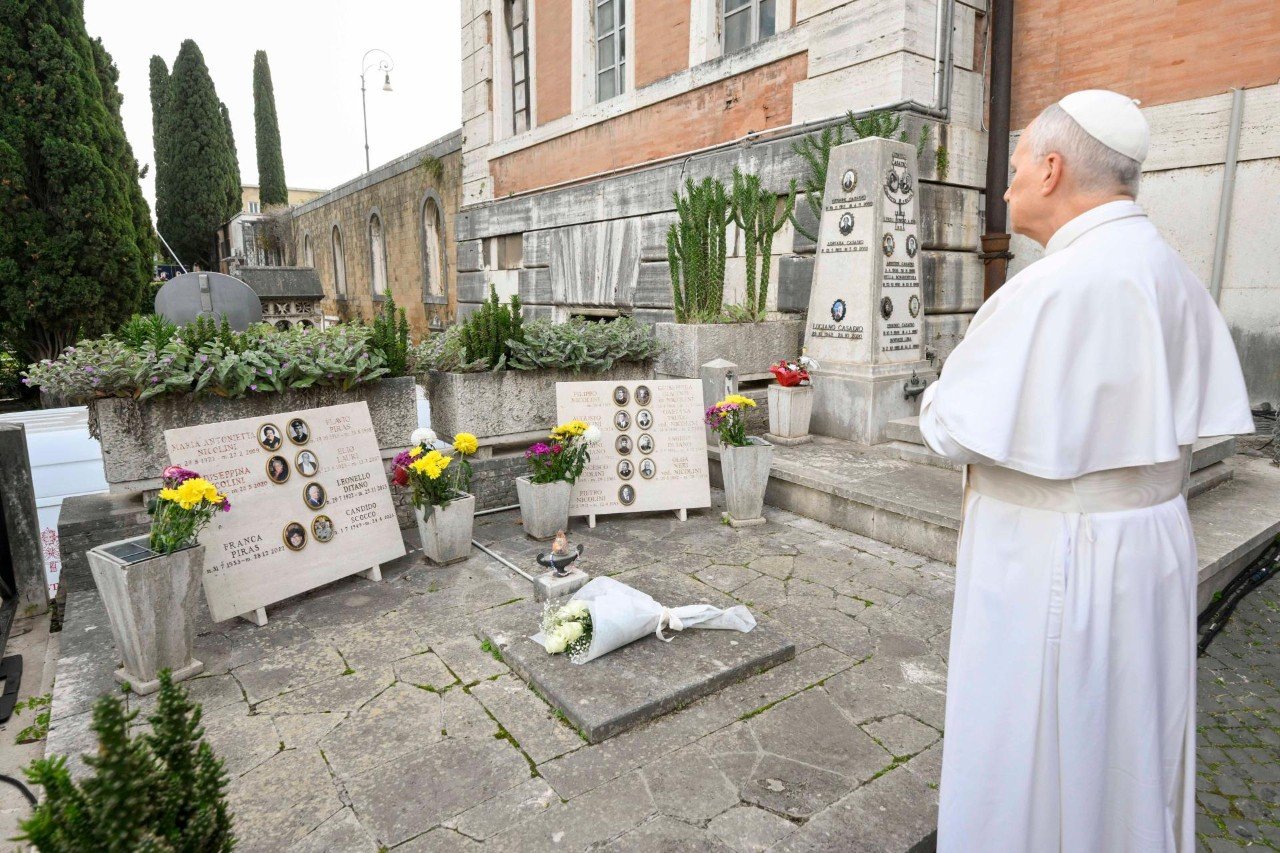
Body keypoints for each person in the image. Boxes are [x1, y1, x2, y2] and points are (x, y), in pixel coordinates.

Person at [920, 90, 1254, 852]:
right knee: (1127, 742)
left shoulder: (1051, 286)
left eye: (1012, 169)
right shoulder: (1170, 271)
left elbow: (951, 427)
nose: (1004, 188)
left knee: (1031, 751)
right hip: (1148, 547)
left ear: (1051, 168)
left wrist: (940, 389)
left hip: (1051, 561)